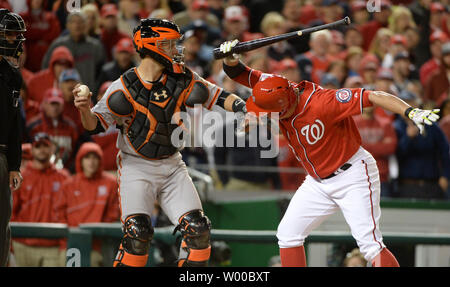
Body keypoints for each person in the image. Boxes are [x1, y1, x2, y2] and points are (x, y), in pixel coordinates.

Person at [219, 38, 440, 267]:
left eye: (268, 110)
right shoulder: (273, 85)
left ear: (283, 106)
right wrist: (230, 58)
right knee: (288, 234)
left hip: (353, 173)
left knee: (370, 244)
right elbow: (238, 73)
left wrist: (410, 111)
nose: (263, 113)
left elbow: (372, 95)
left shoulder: (323, 102)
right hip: (318, 182)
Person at [74, 18, 247, 267]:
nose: (177, 50)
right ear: (153, 45)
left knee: (199, 230)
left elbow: (216, 95)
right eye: (170, 45)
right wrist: (84, 109)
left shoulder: (181, 77)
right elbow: (95, 125)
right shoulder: (124, 86)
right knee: (138, 234)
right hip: (136, 165)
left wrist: (243, 107)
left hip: (173, 165)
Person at [54, 142, 119, 267]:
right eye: (87, 157)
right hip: (69, 243)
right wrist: (68, 236)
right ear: (80, 160)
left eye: (95, 157)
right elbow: (58, 212)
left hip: (97, 245)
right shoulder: (69, 184)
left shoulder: (110, 183)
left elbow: (113, 212)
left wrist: (99, 233)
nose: (91, 161)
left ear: (100, 160)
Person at [11, 132, 68, 267]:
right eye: (38, 146)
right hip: (23, 244)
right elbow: (11, 211)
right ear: (32, 149)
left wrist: (64, 245)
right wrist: (11, 245)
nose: (42, 150)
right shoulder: (21, 177)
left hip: (53, 246)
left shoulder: (63, 178)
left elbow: (67, 213)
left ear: (52, 148)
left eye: (45, 146)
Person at [0, 8, 26, 267]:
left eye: (16, 35)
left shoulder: (13, 75)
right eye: (8, 35)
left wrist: (15, 164)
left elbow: (14, 126)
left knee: (1, 222)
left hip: (1, 154)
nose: (14, 41)